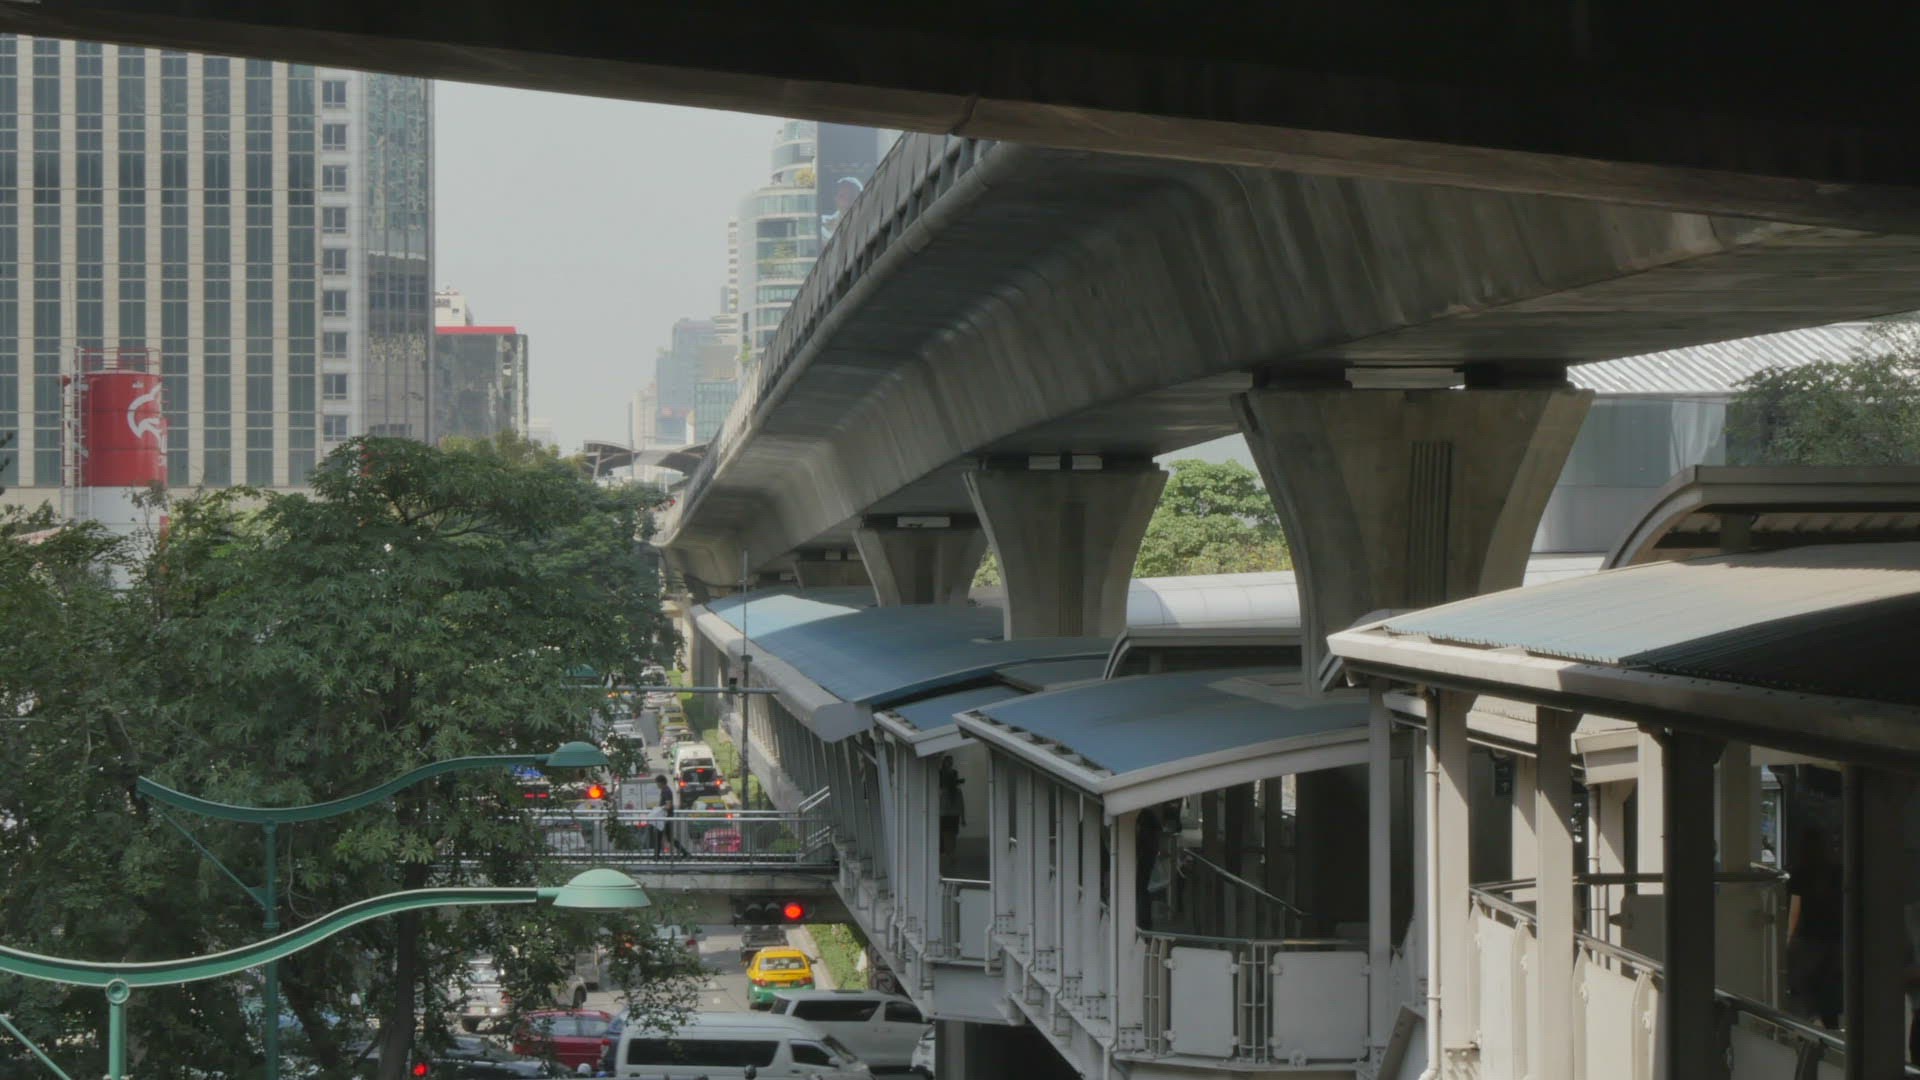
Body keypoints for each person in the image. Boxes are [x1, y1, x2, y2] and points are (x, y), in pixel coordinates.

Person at [1786, 826, 1843, 1028]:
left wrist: (1789, 939)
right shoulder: (1838, 872)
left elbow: (1795, 910)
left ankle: (1815, 1023)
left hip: (1809, 937)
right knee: (1829, 987)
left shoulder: (1801, 873)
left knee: (1806, 985)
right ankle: (1830, 1028)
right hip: (1834, 938)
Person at [1137, 805, 1162, 931]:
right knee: (1144, 896)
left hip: (1142, 866)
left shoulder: (1144, 835)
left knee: (1141, 895)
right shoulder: (1153, 837)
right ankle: (1145, 924)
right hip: (1148, 865)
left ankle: (1143, 923)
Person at [937, 756, 965, 858]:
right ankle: (951, 852)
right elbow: (961, 804)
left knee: (946, 833)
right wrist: (963, 818)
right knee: (951, 834)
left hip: (945, 813)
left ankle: (948, 852)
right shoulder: (956, 791)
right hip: (952, 813)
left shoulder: (943, 791)